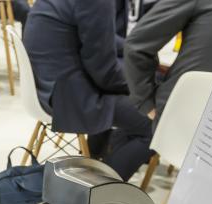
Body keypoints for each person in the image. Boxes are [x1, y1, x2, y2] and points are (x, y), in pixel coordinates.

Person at [24, 0, 152, 181]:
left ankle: (97, 160)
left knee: (134, 91)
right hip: (70, 98)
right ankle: (97, 187)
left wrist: (132, 49)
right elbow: (105, 73)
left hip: (47, 87)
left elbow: (99, 38)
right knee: (154, 123)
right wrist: (141, 87)